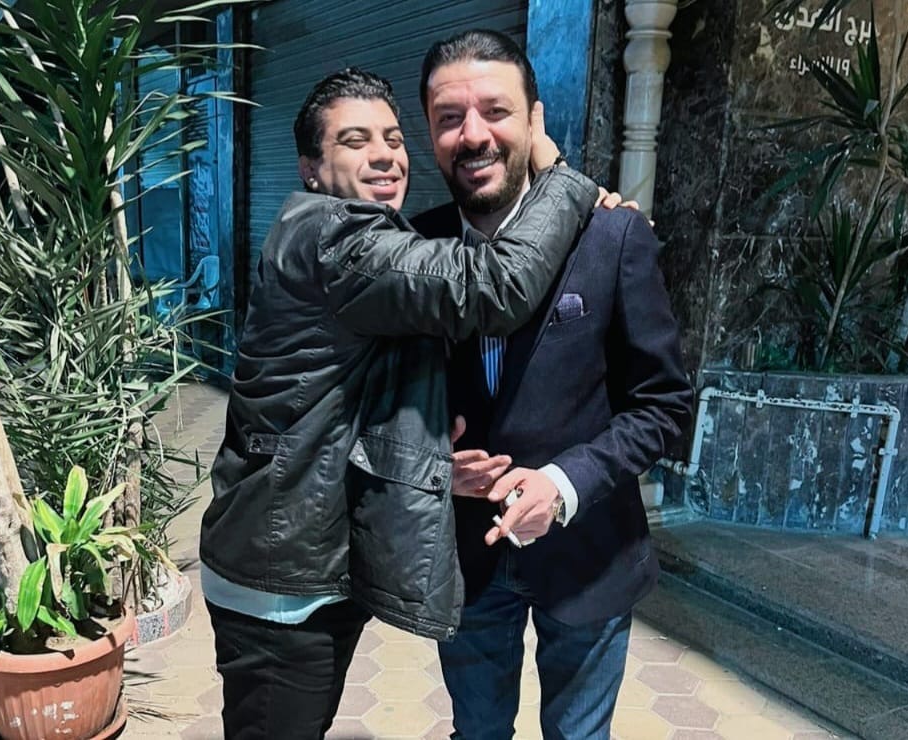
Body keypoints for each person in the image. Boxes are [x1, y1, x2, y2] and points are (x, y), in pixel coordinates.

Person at [199, 67, 614, 739]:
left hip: (306, 556)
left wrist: (433, 463)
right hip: (281, 578)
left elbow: (340, 406)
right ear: (311, 169)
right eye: (354, 141)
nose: (385, 155)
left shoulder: (354, 240)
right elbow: (496, 286)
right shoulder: (339, 240)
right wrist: (562, 177)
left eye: (393, 139)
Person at [411, 30, 694, 739]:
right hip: (467, 557)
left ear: (535, 121)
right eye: (450, 117)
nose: (474, 134)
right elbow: (381, 400)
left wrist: (563, 485)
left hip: (590, 552)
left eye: (496, 111)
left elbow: (664, 407)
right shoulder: (412, 250)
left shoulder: (612, 237)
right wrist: (430, 460)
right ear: (430, 133)